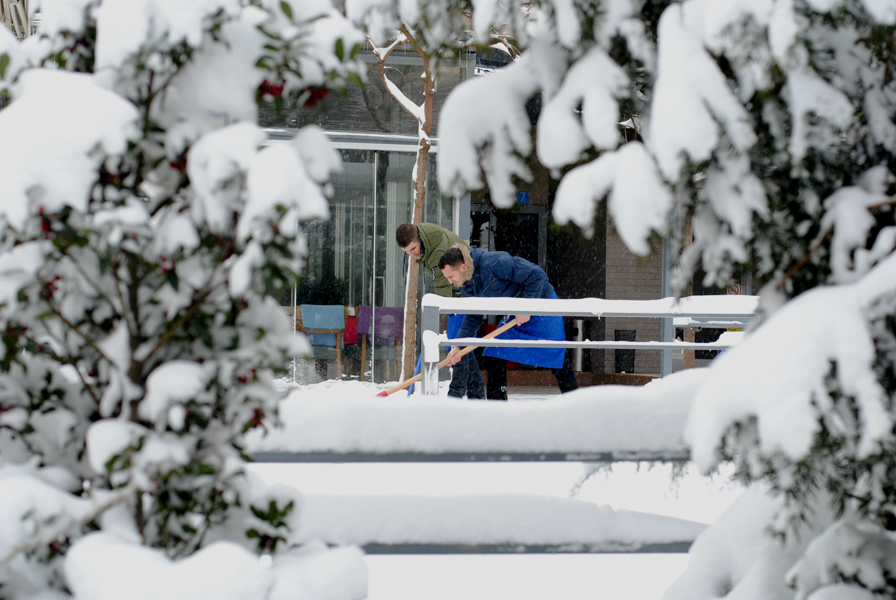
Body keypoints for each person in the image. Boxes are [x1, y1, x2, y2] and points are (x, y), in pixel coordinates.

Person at [438, 244, 579, 400]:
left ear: (463, 267)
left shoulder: (494, 263)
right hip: (516, 313)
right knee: (494, 353)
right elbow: (473, 316)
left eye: (451, 277)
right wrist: (458, 345)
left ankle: (575, 404)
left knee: (556, 357)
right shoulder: (467, 284)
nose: (451, 282)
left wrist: (526, 307)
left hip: (541, 304)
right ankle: (497, 408)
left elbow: (537, 276)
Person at [396, 223, 485, 399]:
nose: (413, 255)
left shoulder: (437, 251)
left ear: (419, 238)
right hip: (458, 294)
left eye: (413, 248)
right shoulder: (424, 241)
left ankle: (456, 394)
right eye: (407, 252)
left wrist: (436, 321)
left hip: (463, 292)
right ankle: (476, 393)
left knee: (457, 343)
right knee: (461, 344)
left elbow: (443, 286)